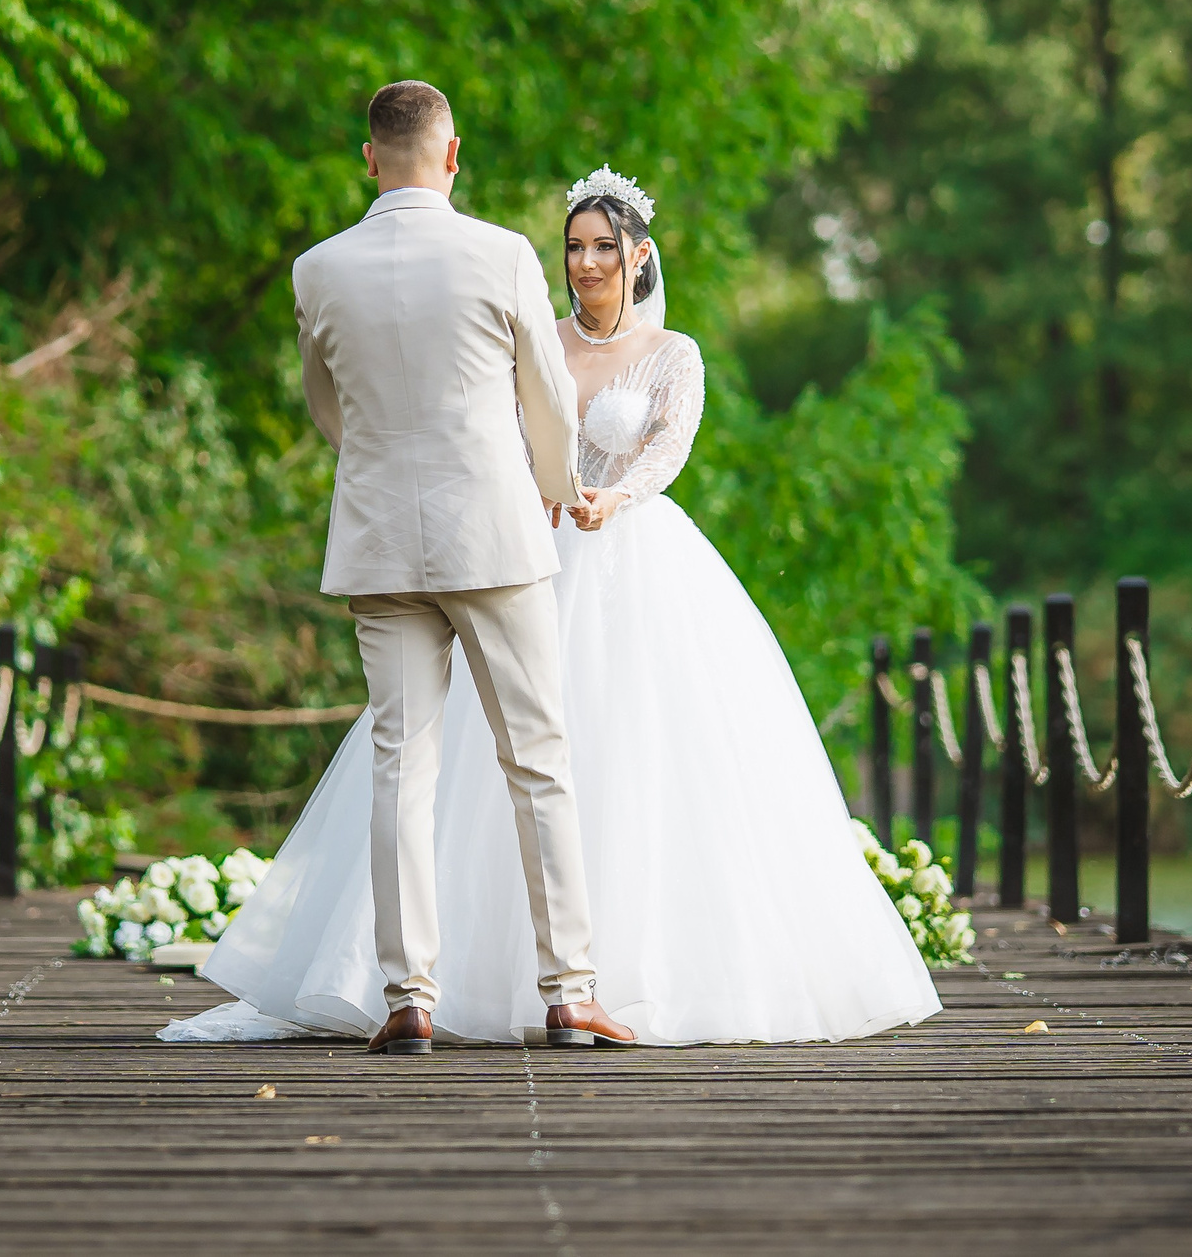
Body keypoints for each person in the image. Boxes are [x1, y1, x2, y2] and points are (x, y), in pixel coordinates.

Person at [165, 135, 940, 1047]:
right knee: (512, 764)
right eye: (575, 245)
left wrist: (606, 494)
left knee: (566, 751)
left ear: (639, 254)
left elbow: (663, 445)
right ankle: (540, 989)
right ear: (451, 155)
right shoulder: (517, 287)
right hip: (517, 542)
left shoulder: (669, 351)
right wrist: (545, 486)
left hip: (617, 548)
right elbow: (520, 404)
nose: (585, 260)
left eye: (603, 246)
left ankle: (435, 990)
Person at [263, 79, 631, 1056]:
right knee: (539, 763)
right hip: (494, 535)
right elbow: (545, 396)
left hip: (380, 538)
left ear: (368, 156)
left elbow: (325, 404)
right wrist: (556, 485)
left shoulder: (317, 269)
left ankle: (408, 999)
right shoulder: (501, 254)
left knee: (399, 770)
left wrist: (382, 466)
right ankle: (569, 994)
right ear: (452, 154)